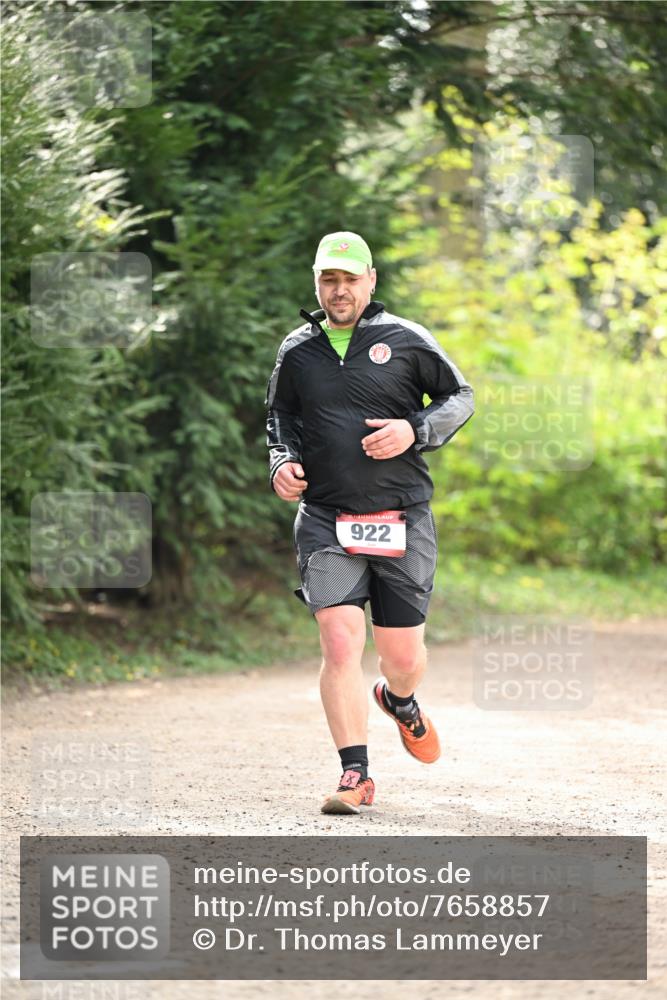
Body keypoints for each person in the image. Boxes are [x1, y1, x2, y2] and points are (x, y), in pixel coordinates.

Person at [266, 231, 474, 815]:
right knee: (339, 643)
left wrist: (416, 429)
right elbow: (280, 414)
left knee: (403, 658)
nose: (338, 290)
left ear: (370, 281)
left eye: (349, 279)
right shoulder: (297, 349)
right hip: (328, 518)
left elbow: (460, 395)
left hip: (401, 516)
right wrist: (281, 461)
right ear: (316, 282)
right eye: (328, 279)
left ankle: (400, 700)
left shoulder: (405, 339)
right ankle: (354, 774)